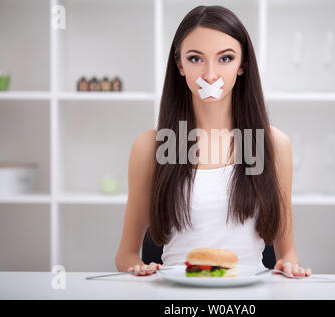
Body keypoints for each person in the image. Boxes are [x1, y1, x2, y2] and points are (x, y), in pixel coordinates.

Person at [115, 5, 311, 278]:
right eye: (196, 59)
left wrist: (289, 264)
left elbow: (286, 252)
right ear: (179, 65)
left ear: (242, 65)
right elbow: (126, 254)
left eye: (225, 58)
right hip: (175, 294)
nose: (210, 75)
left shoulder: (273, 144)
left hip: (249, 295)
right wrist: (137, 268)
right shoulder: (151, 147)